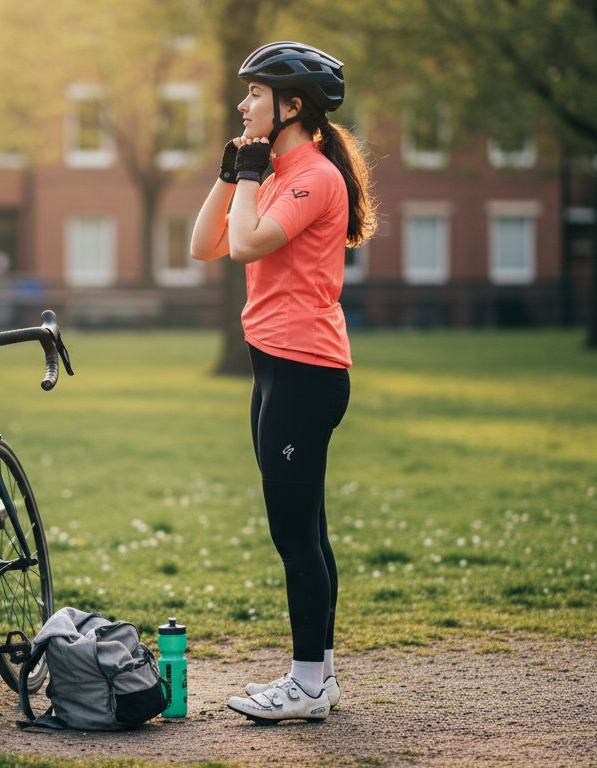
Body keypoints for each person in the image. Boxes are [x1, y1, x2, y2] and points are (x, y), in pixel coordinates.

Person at [189, 41, 376, 723]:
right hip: (277, 369)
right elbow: (203, 244)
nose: (243, 104)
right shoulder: (277, 169)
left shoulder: (313, 177)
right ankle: (318, 678)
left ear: (292, 106)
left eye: (255, 95)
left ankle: (303, 685)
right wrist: (231, 169)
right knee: (307, 530)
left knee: (294, 535)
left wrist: (248, 176)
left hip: (303, 371)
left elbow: (246, 245)